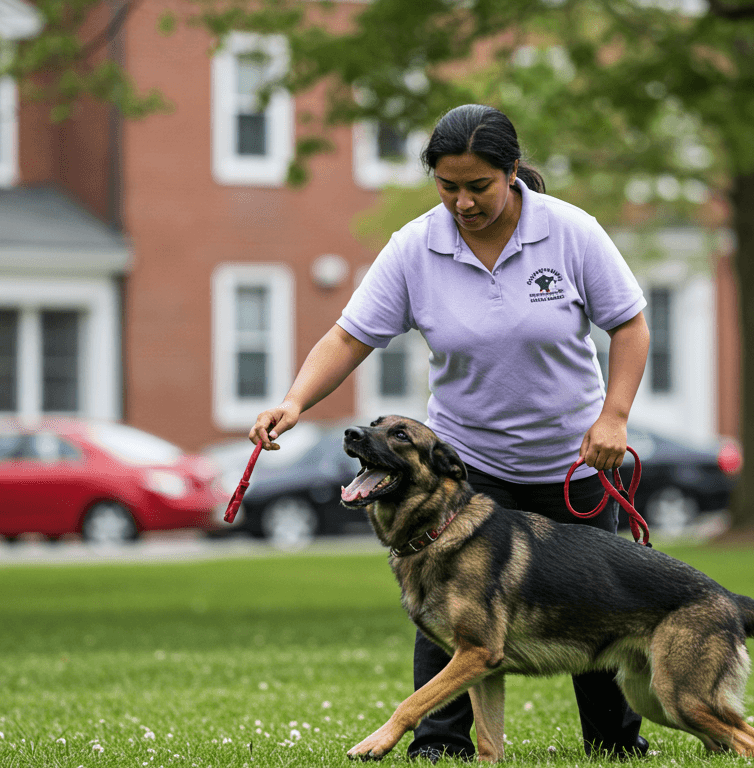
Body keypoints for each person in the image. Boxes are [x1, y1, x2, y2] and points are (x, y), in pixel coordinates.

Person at [248, 103, 651, 761]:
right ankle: (439, 745)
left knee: (594, 605)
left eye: (478, 187)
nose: (462, 202)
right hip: (470, 464)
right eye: (448, 186)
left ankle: (613, 743)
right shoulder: (416, 246)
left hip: (571, 462)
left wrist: (614, 416)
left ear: (512, 171)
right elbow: (350, 336)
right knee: (445, 599)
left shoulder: (571, 233)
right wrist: (293, 401)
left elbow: (629, 325)